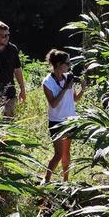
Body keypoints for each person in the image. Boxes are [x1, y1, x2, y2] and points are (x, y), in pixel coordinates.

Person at [42, 49, 84, 183]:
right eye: (67, 63)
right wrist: (65, 87)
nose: (69, 66)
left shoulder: (68, 77)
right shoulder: (47, 82)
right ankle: (46, 179)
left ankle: (65, 180)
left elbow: (75, 99)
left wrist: (83, 88)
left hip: (70, 120)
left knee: (66, 152)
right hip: (56, 121)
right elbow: (53, 103)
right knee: (58, 153)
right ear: (59, 64)